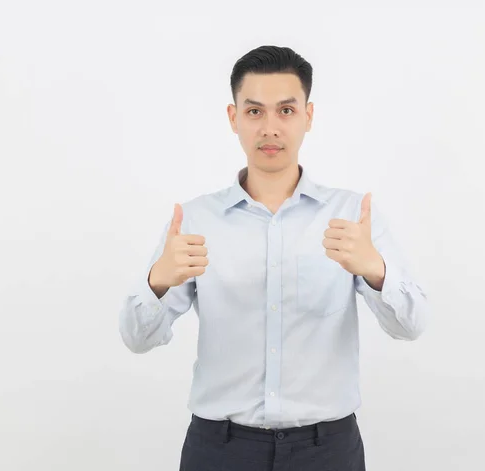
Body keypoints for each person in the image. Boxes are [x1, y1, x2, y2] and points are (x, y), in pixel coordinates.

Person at [118, 45, 429, 471]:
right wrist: (158, 280)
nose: (270, 128)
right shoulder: (194, 219)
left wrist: (376, 271)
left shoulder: (352, 216)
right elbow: (136, 339)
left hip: (328, 449)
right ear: (234, 118)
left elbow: (411, 326)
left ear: (308, 116)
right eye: (254, 112)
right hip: (220, 449)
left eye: (285, 110)